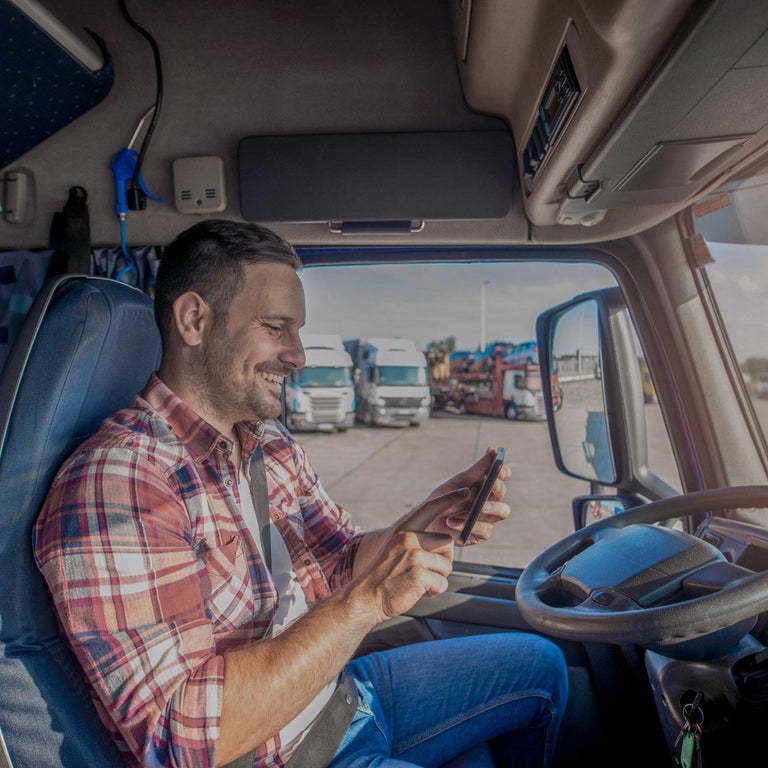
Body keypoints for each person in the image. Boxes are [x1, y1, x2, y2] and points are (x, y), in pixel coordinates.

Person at [33, 220, 568, 768]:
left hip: (338, 699)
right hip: (277, 754)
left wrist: (427, 520)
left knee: (543, 666)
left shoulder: (266, 442)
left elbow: (339, 558)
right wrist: (367, 603)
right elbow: (182, 740)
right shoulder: (122, 483)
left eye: (297, 331)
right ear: (194, 320)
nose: (298, 355)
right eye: (275, 327)